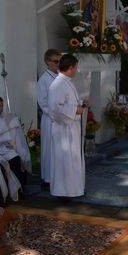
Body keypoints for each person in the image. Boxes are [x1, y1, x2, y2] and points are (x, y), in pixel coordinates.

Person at [48, 54, 89, 198]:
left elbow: (67, 102)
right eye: (76, 67)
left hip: (71, 127)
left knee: (73, 160)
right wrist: (75, 110)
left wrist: (81, 103)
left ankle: (74, 189)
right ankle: (63, 192)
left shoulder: (67, 82)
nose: (77, 70)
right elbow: (55, 108)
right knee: (64, 161)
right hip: (63, 130)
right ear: (70, 68)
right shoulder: (58, 83)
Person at [0, 95, 30, 187]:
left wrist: (10, 123)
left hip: (5, 148)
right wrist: (7, 124)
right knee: (16, 160)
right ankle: (18, 188)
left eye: (2, 106)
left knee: (20, 159)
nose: (1, 109)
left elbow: (4, 131)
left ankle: (21, 187)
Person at [36, 48, 61, 185]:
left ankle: (58, 177)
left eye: (60, 61)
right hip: (50, 120)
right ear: (47, 62)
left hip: (61, 120)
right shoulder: (44, 80)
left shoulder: (60, 77)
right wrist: (57, 114)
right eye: (55, 61)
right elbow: (43, 103)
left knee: (58, 151)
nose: (58, 64)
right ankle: (48, 179)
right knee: (49, 150)